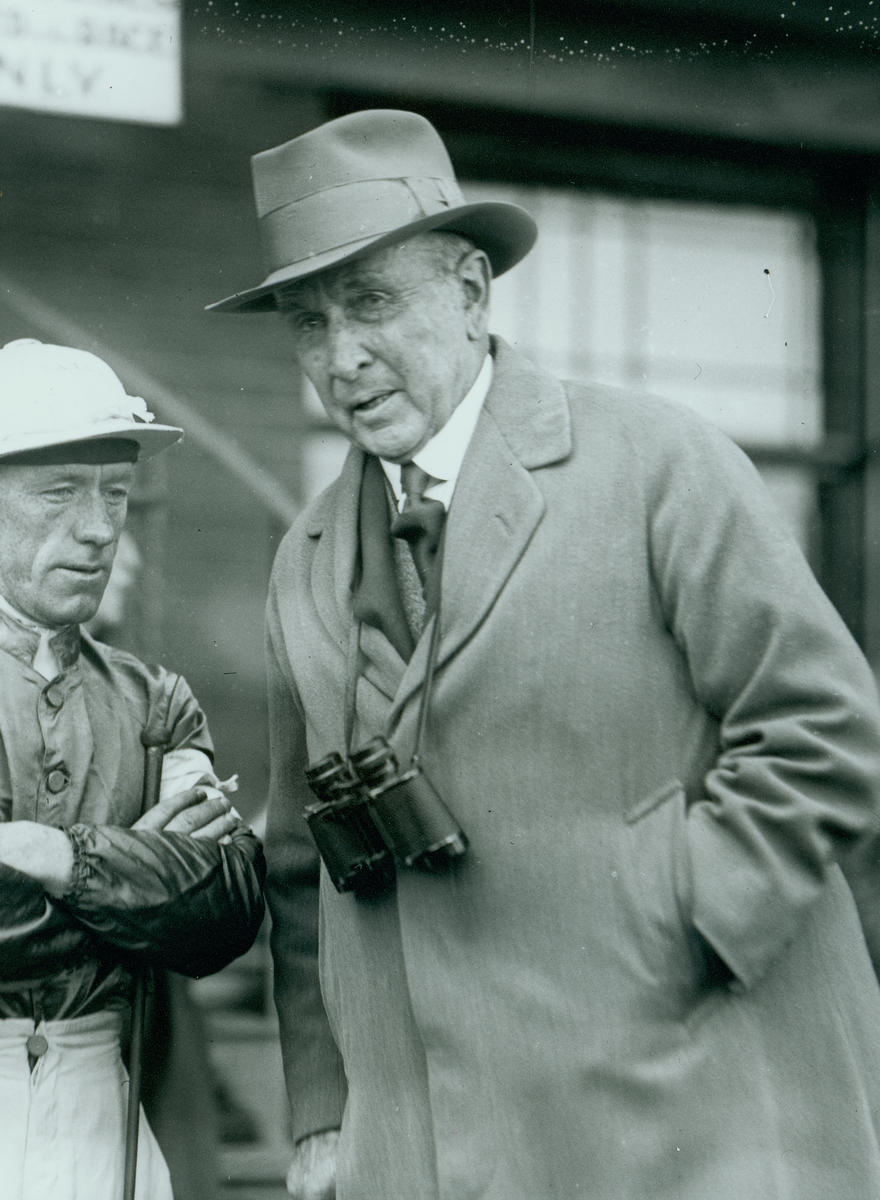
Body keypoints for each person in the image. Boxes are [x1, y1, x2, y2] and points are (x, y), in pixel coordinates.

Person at [209, 109, 880, 1199]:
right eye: (308, 322)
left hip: (696, 1104)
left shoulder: (658, 463)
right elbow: (301, 859)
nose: (341, 358)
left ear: (472, 291)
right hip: (440, 1144)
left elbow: (824, 729)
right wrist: (326, 1107)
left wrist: (681, 932)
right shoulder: (306, 558)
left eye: (372, 303)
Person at [0, 338, 265, 1200]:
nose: (99, 527)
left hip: (104, 1118)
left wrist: (53, 853)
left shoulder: (153, 700)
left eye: (114, 493)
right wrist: (134, 873)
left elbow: (223, 915)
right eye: (59, 492)